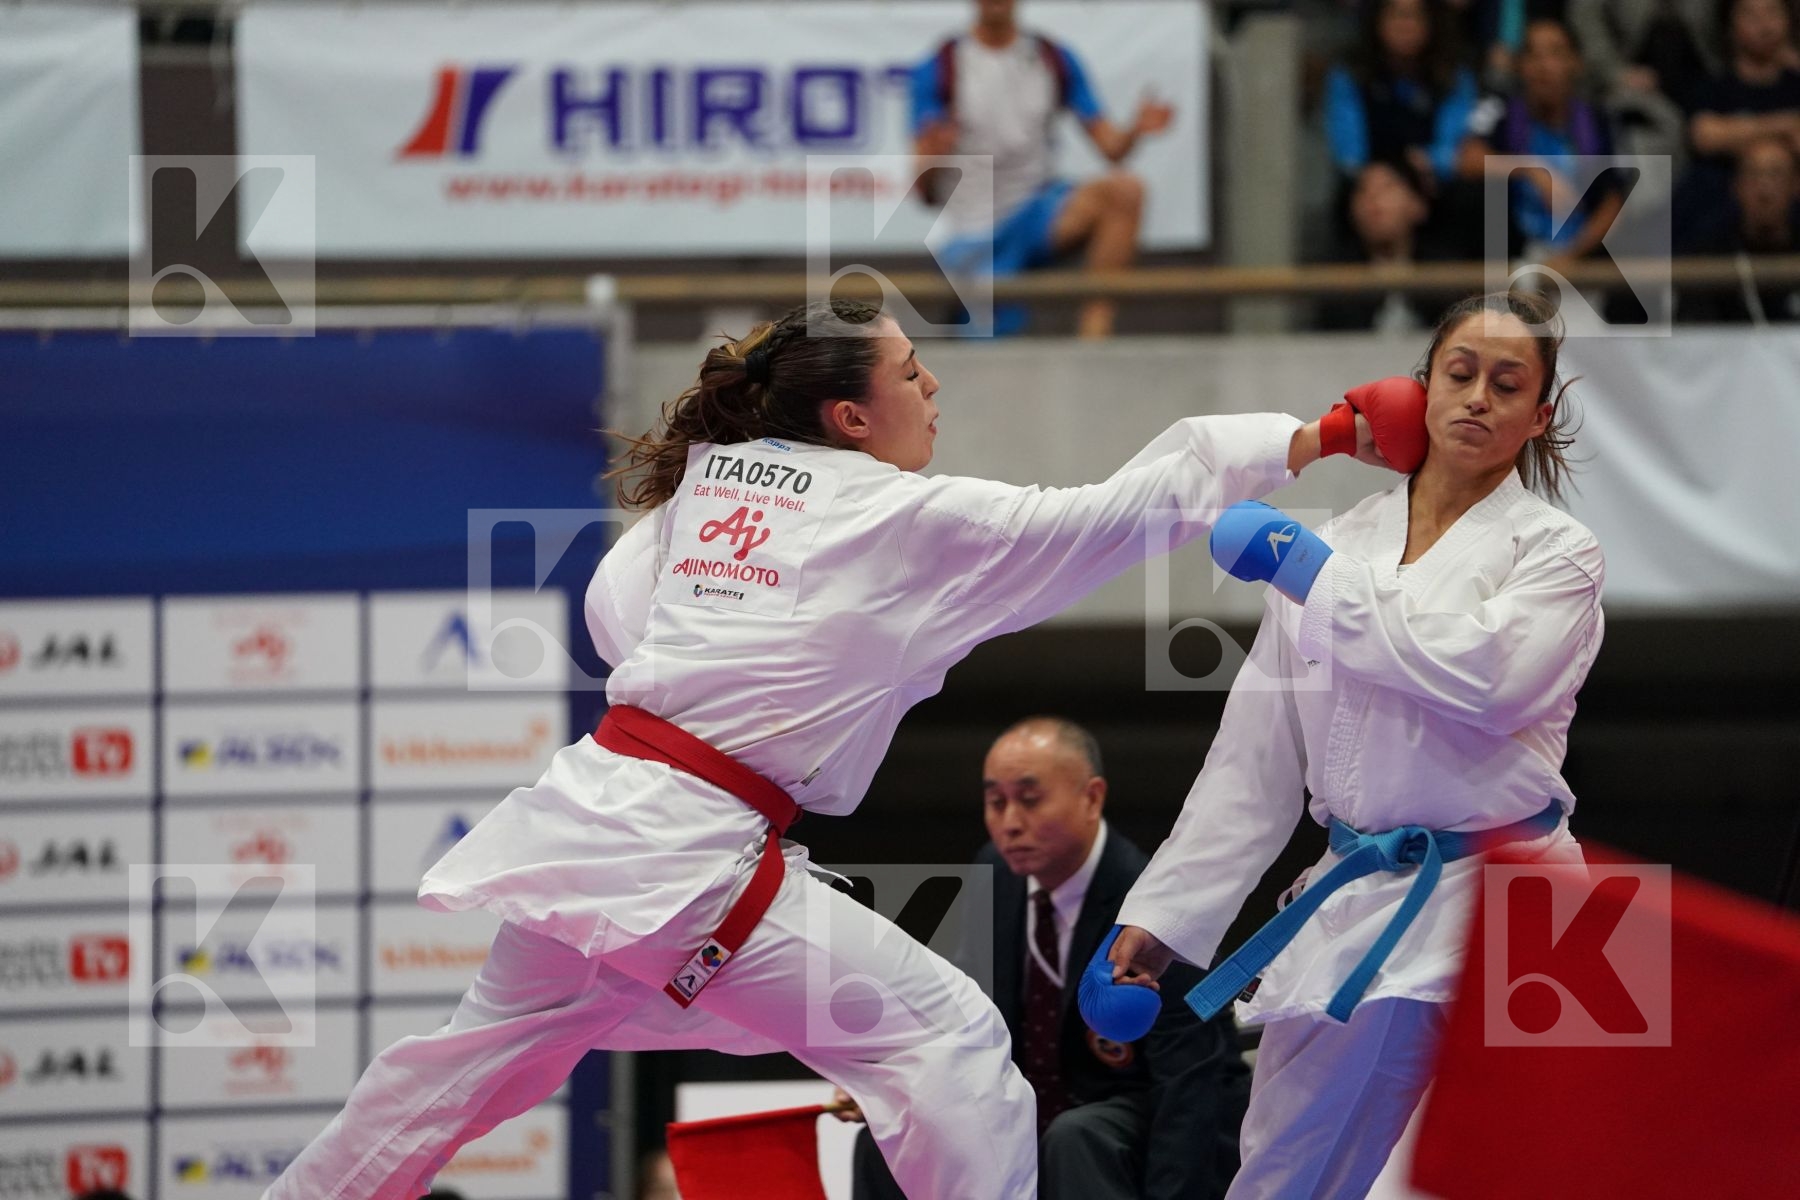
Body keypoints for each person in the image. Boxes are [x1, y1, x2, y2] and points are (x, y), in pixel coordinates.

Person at [261, 297, 1417, 1200]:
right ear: (850, 419)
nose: (933, 385)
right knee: (948, 1039)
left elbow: (622, 620)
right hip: (693, 852)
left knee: (442, 1083)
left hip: (597, 821)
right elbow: (1103, 517)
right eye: (912, 372)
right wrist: (1307, 438)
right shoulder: (895, 515)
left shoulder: (701, 495)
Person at [1100, 289, 1606, 1198]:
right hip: (1354, 897)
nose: (1478, 399)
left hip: (1513, 901)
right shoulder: (1340, 541)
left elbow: (1493, 681)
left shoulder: (1559, 553)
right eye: (1459, 374)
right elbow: (1254, 759)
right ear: (1424, 387)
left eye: (1507, 382)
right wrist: (1165, 915)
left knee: (1535, 1171)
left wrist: (1315, 578)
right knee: (1281, 1171)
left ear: (1542, 414)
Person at [836, 717, 1250, 1200]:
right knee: (889, 1138)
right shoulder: (995, 871)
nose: (1010, 822)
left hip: (1148, 1117)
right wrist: (893, 1087)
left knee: (1077, 1136)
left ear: (1091, 797)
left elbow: (1190, 1089)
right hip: (1037, 1110)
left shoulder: (1156, 908)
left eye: (1030, 800)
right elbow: (957, 1016)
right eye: (996, 802)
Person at [913, 0, 1175, 338]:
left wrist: (1135, 131)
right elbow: (924, 192)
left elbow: (1111, 148)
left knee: (1126, 191)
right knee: (987, 351)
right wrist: (935, 156)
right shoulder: (941, 66)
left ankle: (1094, 341)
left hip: (1035, 216)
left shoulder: (1054, 58)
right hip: (971, 231)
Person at [1459, 18, 1626, 270]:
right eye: (1532, 55)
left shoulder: (1598, 121)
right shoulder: (1502, 113)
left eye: (1555, 54)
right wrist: (1532, 170)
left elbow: (1614, 201)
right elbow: (1467, 160)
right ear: (1520, 66)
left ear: (1575, 63)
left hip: (1581, 260)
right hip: (1514, 257)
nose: (1543, 66)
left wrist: (1570, 258)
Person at [1323, 0, 1481, 190]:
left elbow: (1454, 150)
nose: (1406, 25)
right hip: (1369, 185)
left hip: (1432, 185)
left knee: (1482, 193)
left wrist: (1422, 164)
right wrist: (1386, 180)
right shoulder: (1350, 74)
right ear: (1377, 19)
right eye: (1396, 15)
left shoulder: (1454, 76)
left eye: (1416, 16)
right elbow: (1349, 153)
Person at [1317, 156, 1456, 333]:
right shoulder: (1334, 273)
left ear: (1418, 205)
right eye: (1363, 190)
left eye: (1387, 187)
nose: (1372, 200)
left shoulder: (1446, 271)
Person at [1678, 134, 1800, 319]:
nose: (1764, 190)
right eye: (1753, 174)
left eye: (1776, 174)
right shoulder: (1708, 257)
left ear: (1795, 185)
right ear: (1737, 187)